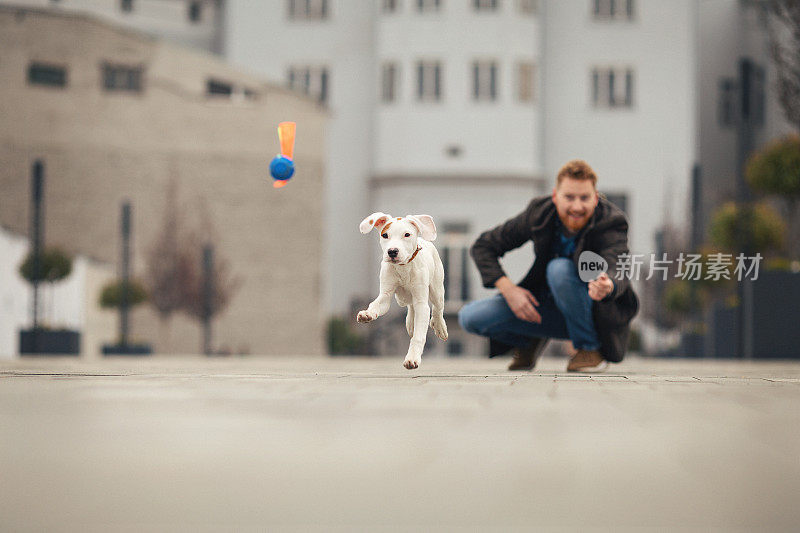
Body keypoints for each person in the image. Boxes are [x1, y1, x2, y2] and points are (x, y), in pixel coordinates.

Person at [458, 160, 639, 372]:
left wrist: (608, 284)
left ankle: (589, 348)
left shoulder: (611, 221)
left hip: (593, 312)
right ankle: (529, 340)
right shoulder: (540, 213)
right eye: (569, 197)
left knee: (559, 269)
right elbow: (483, 246)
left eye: (585, 198)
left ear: (596, 198)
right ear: (555, 196)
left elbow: (617, 263)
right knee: (470, 317)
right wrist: (509, 290)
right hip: (544, 306)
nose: (577, 206)